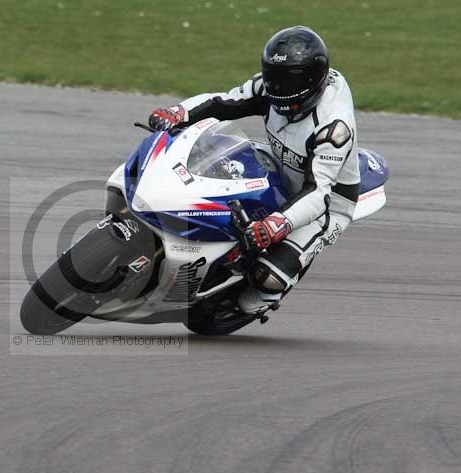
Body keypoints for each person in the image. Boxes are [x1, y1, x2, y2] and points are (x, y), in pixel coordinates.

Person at [148, 26, 360, 315]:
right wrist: (179, 112)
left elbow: (318, 193)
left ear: (313, 80)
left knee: (266, 281)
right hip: (277, 166)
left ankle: (269, 293)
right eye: (273, 77)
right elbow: (222, 103)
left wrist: (277, 225)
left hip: (325, 202)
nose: (276, 88)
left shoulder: (333, 129)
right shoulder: (270, 88)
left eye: (287, 81)